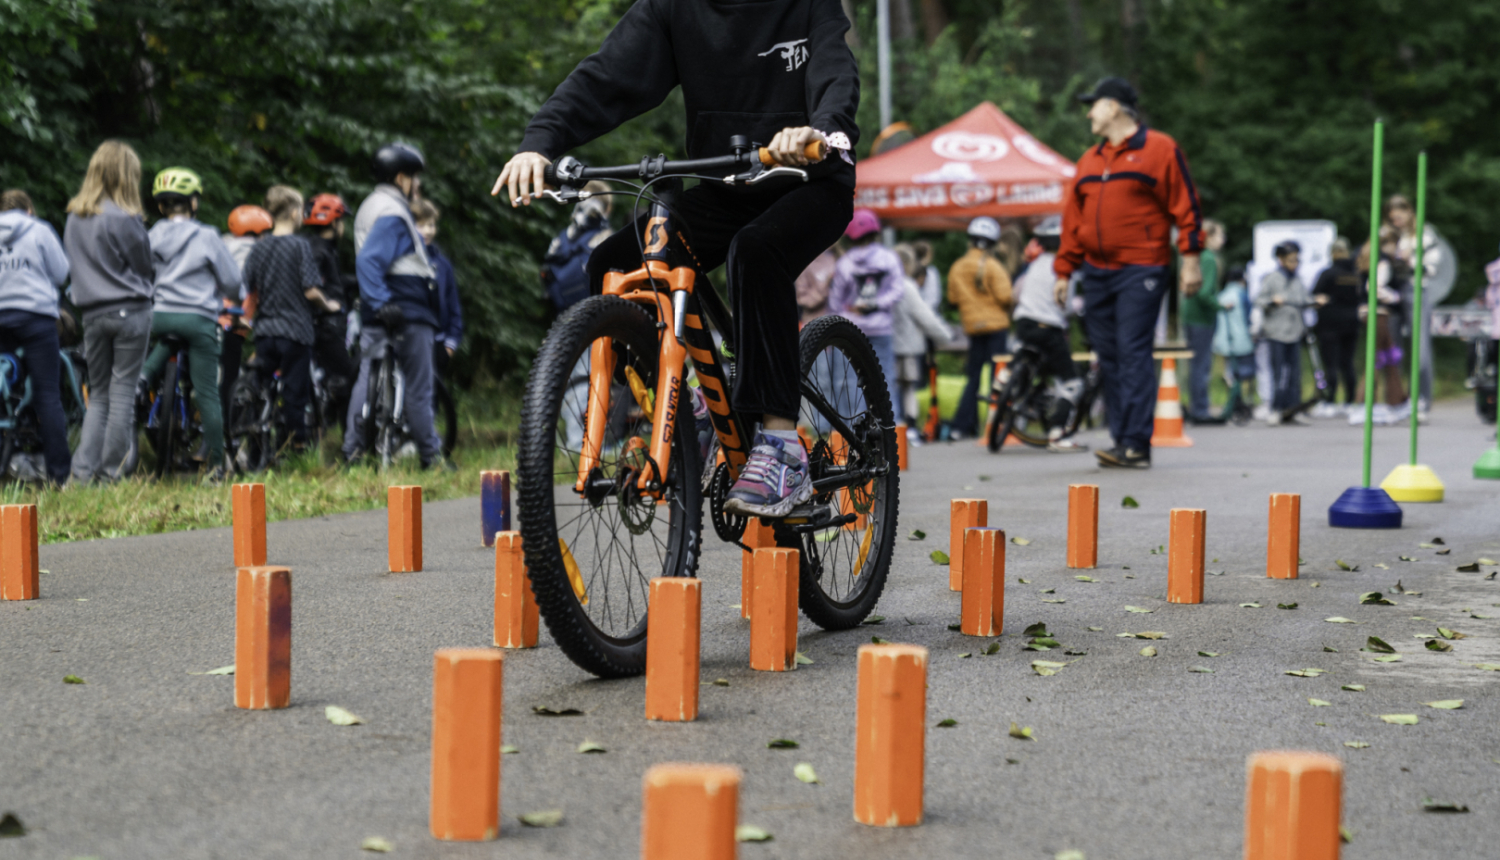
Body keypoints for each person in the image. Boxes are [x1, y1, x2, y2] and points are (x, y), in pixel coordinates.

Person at [493, 0, 859, 518]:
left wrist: (821, 130)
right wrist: (540, 144)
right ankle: (675, 412)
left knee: (756, 251)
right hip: (727, 185)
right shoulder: (674, 8)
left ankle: (782, 448)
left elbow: (833, 69)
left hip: (809, 179)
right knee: (612, 263)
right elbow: (606, 76)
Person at [1054, 77, 1204, 469]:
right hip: (1096, 271)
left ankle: (1136, 443)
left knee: (1133, 350)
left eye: (1095, 105)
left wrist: (1190, 258)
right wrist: (1064, 271)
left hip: (1143, 267)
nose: (1089, 113)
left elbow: (1186, 205)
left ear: (1115, 107)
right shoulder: (1088, 161)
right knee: (1109, 355)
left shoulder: (1159, 149)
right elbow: (1073, 220)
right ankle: (1122, 441)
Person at [139, 168, 243, 480]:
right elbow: (233, 283)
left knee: (168, 340)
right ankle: (214, 469)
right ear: (193, 202)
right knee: (207, 393)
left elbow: (143, 274)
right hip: (198, 319)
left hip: (161, 316)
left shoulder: (152, 234)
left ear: (161, 207)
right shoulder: (207, 236)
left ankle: (144, 376)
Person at [347, 142, 446, 469]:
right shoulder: (393, 211)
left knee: (366, 376)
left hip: (379, 307)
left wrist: (375, 302)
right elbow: (370, 260)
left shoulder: (370, 205)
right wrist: (383, 300)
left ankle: (353, 452)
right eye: (415, 178)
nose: (418, 185)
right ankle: (431, 456)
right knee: (420, 387)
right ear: (401, 178)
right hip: (406, 308)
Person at [64, 140, 155, 483]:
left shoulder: (75, 217)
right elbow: (144, 266)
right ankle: (110, 475)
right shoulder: (125, 218)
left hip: (92, 315)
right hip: (130, 312)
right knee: (122, 395)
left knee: (98, 396)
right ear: (126, 175)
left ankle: (81, 474)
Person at [243, 185, 340, 451]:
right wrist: (328, 304)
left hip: (264, 332)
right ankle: (297, 444)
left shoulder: (259, 247)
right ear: (296, 213)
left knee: (260, 389)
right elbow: (310, 290)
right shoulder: (300, 246)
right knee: (294, 393)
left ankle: (253, 443)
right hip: (296, 332)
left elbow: (249, 289)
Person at [0, 189, 73, 485]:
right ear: (29, 209)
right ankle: (58, 476)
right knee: (47, 395)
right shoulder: (39, 229)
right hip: (36, 318)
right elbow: (61, 273)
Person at [1010, 215, 1087, 451]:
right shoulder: (1065, 269)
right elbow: (1064, 306)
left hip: (1023, 323)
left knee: (1028, 353)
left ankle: (1006, 379)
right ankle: (1057, 433)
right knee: (1073, 382)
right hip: (1049, 328)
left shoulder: (1035, 264)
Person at [829, 209, 903, 416]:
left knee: (852, 381)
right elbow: (898, 290)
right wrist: (876, 304)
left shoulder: (844, 263)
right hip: (881, 329)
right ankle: (890, 428)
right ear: (876, 232)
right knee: (885, 377)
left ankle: (856, 431)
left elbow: (835, 301)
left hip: (852, 330)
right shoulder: (889, 258)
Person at [946, 216, 1013, 439]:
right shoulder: (994, 266)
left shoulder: (957, 267)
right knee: (999, 376)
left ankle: (962, 426)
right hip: (997, 328)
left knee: (973, 377)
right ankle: (999, 423)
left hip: (974, 329)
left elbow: (952, 298)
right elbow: (1006, 297)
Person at [302, 193, 357, 431]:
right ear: (334, 223)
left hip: (319, 323)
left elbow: (335, 281)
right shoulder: (320, 251)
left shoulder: (317, 248)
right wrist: (328, 303)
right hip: (325, 325)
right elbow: (314, 286)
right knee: (349, 377)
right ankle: (349, 441)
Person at [413, 197, 463, 458]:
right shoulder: (407, 260)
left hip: (439, 341)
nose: (429, 230)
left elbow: (454, 306)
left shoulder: (442, 264)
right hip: (414, 336)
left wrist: (451, 343)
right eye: (423, 225)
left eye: (432, 225)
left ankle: (428, 445)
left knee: (432, 394)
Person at [1384, 193, 1442, 418]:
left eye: (1399, 217)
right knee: (1392, 348)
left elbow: (1433, 268)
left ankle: (1422, 400)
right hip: (1390, 292)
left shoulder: (1424, 234)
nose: (1396, 222)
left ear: (1409, 213)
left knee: (1420, 348)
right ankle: (1396, 400)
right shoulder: (1387, 234)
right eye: (1392, 218)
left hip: (1415, 289)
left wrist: (1411, 260)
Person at [219, 204, 274, 430]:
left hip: (208, 317)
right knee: (228, 383)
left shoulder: (222, 245)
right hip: (234, 323)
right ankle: (225, 433)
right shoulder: (257, 253)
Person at [891, 243, 952, 429]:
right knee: (909, 388)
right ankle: (908, 428)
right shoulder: (907, 286)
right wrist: (945, 337)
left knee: (890, 388)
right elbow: (924, 316)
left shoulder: (884, 284)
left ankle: (896, 426)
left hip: (887, 345)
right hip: (908, 346)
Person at [1255, 241, 1310, 425]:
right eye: (1291, 260)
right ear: (1281, 260)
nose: (1294, 263)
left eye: (1296, 260)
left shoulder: (1298, 279)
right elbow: (1259, 301)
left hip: (1294, 332)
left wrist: (1314, 301)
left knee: (1295, 374)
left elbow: (1303, 299)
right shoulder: (1272, 278)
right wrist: (1272, 301)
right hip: (1276, 333)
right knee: (1279, 374)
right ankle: (1276, 409)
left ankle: (1293, 409)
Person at [541, 181, 612, 312]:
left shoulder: (563, 236)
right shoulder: (606, 238)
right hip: (592, 314)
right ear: (607, 208)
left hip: (559, 311)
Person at [1311, 237, 1361, 415]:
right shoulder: (1356, 274)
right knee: (1347, 364)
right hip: (1351, 323)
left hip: (1329, 324)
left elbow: (1315, 296)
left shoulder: (1328, 274)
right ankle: (1349, 401)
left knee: (1330, 364)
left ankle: (1330, 401)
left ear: (1333, 253)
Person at [1181, 219, 1224, 423]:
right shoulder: (1208, 259)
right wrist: (1222, 306)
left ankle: (1197, 406)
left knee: (1195, 364)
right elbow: (1205, 293)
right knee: (1202, 364)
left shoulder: (1195, 256)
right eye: (1220, 235)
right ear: (1210, 237)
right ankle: (1200, 409)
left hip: (1190, 315)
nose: (1222, 240)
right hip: (1202, 318)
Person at [1212, 264, 1257, 418]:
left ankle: (1232, 400)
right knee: (1245, 373)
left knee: (1229, 372)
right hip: (1240, 339)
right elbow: (1248, 317)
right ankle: (1241, 402)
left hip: (1224, 341)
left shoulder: (1222, 295)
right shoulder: (1241, 294)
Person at [795, 246, 838, 323]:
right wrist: (824, 291)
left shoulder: (837, 258)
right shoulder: (806, 262)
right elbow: (802, 297)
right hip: (813, 321)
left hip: (836, 320)